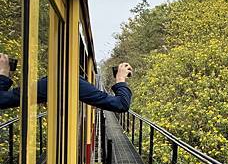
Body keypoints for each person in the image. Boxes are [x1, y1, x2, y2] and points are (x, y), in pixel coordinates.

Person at [0, 53, 133, 112]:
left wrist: (3, 74)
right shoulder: (71, 82)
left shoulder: (46, 84)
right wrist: (120, 79)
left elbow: (4, 100)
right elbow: (121, 104)